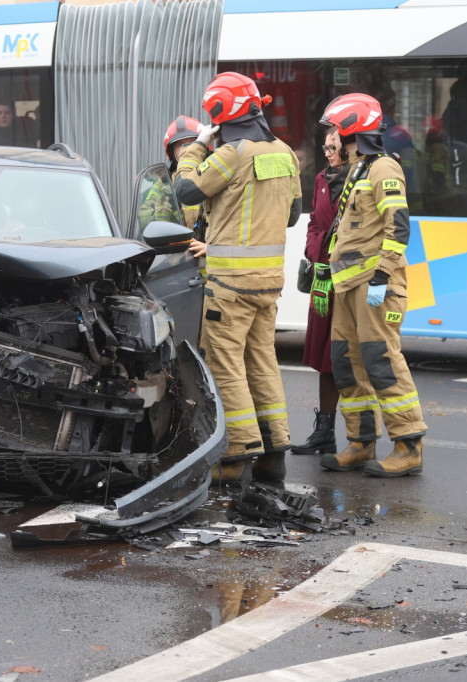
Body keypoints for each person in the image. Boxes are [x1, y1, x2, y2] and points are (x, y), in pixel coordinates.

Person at [174, 72, 301, 485]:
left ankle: (238, 454)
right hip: (269, 283)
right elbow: (295, 214)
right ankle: (274, 453)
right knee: (263, 362)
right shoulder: (285, 152)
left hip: (230, 285)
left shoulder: (230, 153)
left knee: (226, 365)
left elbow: (186, 191)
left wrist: (196, 145)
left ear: (218, 113)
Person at [316, 93, 427, 477]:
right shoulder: (359, 169)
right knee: (348, 365)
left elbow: (398, 226)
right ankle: (361, 443)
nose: (331, 140)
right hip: (348, 285)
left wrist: (382, 273)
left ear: (350, 129)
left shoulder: (383, 169)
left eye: (334, 130)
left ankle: (408, 444)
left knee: (381, 361)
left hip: (375, 284)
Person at [292, 128, 347, 456]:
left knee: (344, 359)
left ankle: (360, 438)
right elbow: (314, 222)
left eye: (334, 147)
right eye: (325, 147)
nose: (328, 153)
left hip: (350, 283)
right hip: (324, 282)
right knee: (325, 360)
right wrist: (316, 252)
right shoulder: (322, 180)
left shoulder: (361, 180)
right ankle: (324, 431)